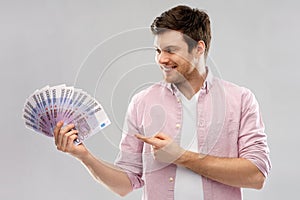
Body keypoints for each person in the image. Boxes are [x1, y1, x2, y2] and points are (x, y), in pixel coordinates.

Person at [54, 5, 271, 200]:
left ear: (199, 48)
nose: (161, 59)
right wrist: (83, 156)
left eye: (170, 50)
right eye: (158, 51)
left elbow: (256, 175)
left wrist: (181, 156)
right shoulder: (142, 102)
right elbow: (126, 184)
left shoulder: (240, 99)